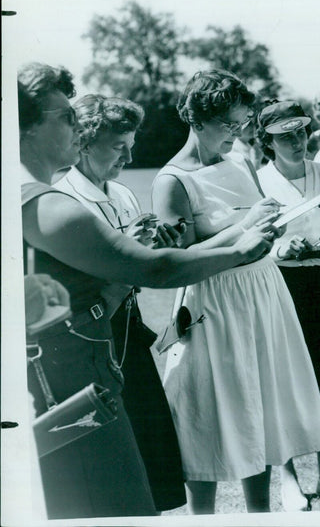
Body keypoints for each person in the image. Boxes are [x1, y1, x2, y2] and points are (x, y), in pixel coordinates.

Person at [18, 62, 272, 519]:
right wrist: (239, 249)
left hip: (87, 361)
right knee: (107, 499)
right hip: (69, 376)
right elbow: (151, 269)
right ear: (25, 126)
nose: (75, 127)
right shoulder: (45, 204)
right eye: (63, 115)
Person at [151, 70, 320, 514]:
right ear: (198, 119)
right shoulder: (172, 181)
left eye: (242, 123)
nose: (238, 133)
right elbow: (183, 258)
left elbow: (252, 228)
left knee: (262, 403)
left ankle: (259, 514)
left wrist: (271, 224)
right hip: (214, 300)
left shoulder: (242, 163)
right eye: (229, 124)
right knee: (208, 410)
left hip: (262, 290)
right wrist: (244, 226)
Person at [53, 94, 186, 512]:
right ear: (84, 143)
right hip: (91, 339)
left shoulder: (122, 194)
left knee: (151, 455)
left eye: (131, 144)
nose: (130, 156)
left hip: (129, 334)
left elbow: (137, 264)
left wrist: (156, 247)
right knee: (107, 466)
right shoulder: (63, 199)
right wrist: (134, 258)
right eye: (118, 147)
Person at [254, 101, 320, 509]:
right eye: (285, 136)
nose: (296, 141)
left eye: (300, 132)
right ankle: (288, 479)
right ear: (268, 141)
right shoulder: (259, 181)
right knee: (285, 379)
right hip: (281, 285)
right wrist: (283, 246)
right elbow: (256, 243)